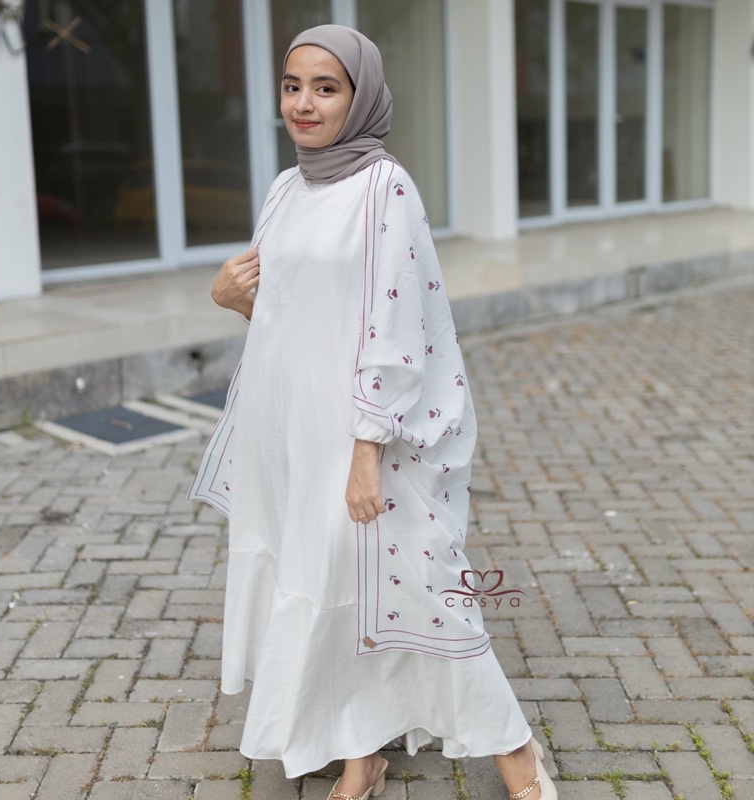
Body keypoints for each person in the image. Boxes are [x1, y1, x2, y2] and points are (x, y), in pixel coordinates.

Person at [189, 24, 556, 800]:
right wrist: (230, 300)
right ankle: (362, 754)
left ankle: (516, 753)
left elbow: (396, 329)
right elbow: (291, 318)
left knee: (420, 584)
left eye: (326, 88)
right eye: (293, 86)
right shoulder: (286, 190)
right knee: (328, 583)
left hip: (365, 431)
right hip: (291, 426)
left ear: (360, 98)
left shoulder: (383, 188)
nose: (304, 103)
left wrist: (366, 449)